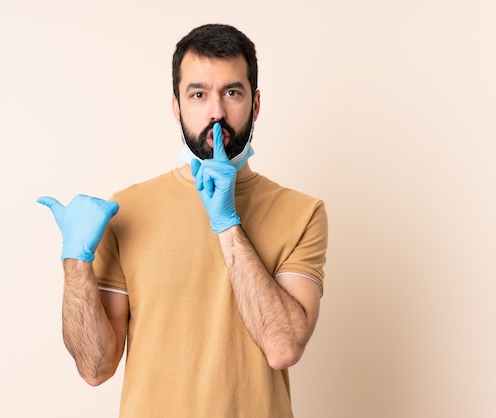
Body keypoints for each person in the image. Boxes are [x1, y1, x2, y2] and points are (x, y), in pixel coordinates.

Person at [38, 23, 328, 418]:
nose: (216, 112)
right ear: (176, 106)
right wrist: (75, 262)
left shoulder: (302, 213)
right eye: (198, 94)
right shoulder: (128, 209)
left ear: (255, 104)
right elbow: (95, 368)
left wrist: (226, 222)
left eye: (232, 92)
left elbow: (283, 347)